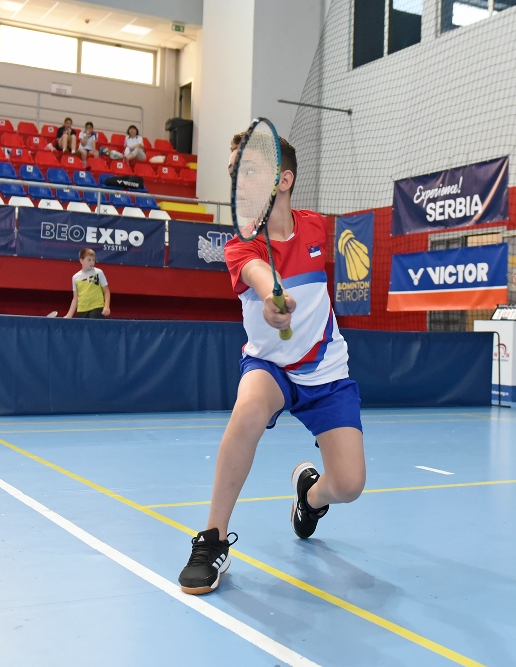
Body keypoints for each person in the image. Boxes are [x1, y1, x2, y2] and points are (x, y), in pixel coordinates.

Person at [177, 132, 365, 595]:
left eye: (249, 171)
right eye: (233, 174)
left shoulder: (317, 228)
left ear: (284, 180)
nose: (237, 183)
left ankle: (310, 497)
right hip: (271, 367)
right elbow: (258, 273)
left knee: (349, 485)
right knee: (248, 410)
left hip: (325, 369)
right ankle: (212, 540)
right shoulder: (241, 245)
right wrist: (271, 295)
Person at [64, 248, 110, 319]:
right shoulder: (75, 277)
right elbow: (75, 298)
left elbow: (106, 291)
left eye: (93, 260)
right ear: (81, 261)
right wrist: (68, 315)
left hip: (97, 307)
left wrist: (106, 306)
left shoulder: (99, 272)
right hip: (82, 310)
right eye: (89, 260)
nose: (92, 262)